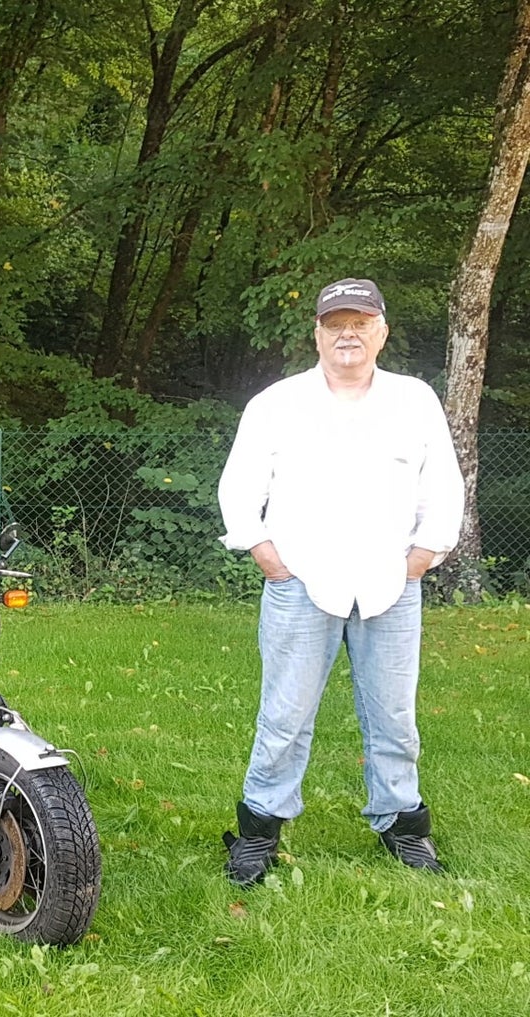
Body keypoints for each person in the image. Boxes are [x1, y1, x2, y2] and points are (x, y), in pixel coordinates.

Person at [217, 277, 464, 886]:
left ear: (382, 332)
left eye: (360, 323)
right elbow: (239, 487)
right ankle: (258, 832)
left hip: (392, 585)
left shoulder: (414, 401)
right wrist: (267, 554)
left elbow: (443, 486)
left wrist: (423, 556)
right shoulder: (276, 404)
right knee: (284, 717)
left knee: (394, 718)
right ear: (318, 334)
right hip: (301, 583)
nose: (347, 334)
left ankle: (403, 825)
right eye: (336, 324)